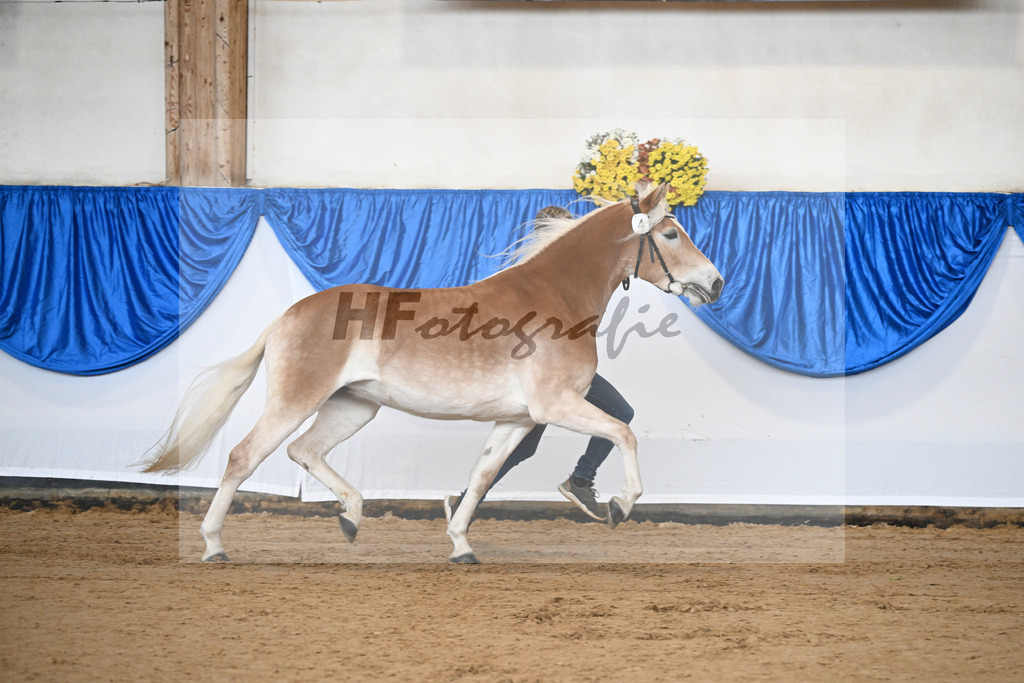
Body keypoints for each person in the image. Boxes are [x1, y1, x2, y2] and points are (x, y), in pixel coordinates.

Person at [444, 206, 635, 523]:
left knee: (524, 447)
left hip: (556, 370)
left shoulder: (567, 278)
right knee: (615, 414)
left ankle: (465, 502)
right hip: (538, 373)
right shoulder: (527, 279)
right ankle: (579, 481)